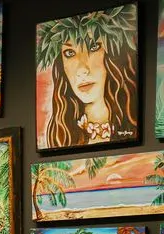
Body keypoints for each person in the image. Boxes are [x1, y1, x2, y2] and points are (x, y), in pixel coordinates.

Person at [37, 8, 138, 148]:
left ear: (114, 55)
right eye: (69, 53)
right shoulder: (60, 137)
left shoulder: (132, 127)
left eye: (94, 46)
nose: (82, 70)